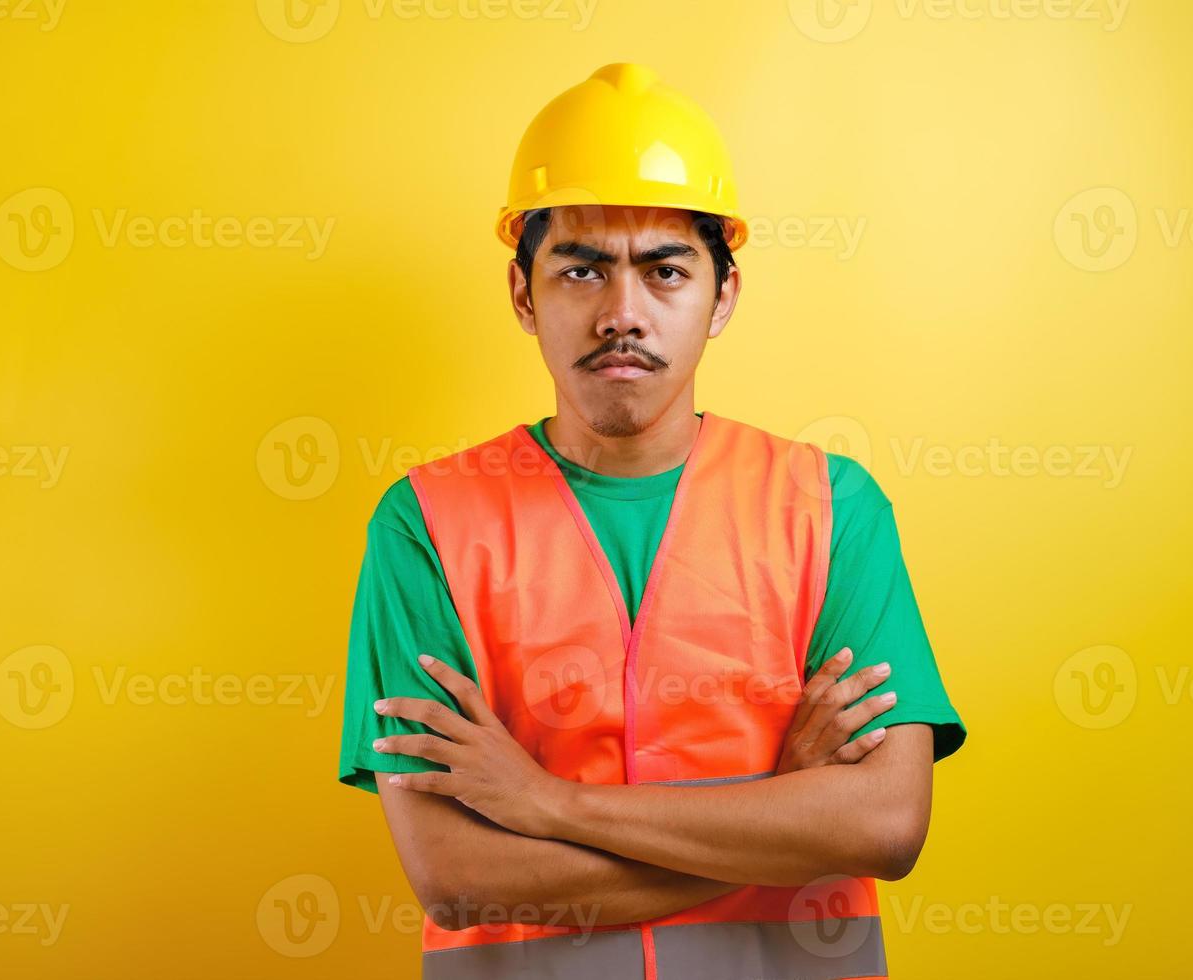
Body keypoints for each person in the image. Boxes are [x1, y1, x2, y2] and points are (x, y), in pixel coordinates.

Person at [338, 62, 966, 980]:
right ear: (524, 295)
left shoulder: (831, 507)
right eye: (581, 270)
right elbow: (457, 875)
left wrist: (544, 803)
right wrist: (781, 812)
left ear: (724, 295)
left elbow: (885, 824)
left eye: (665, 271)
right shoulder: (424, 525)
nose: (621, 313)